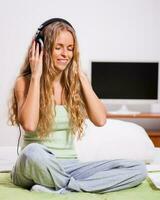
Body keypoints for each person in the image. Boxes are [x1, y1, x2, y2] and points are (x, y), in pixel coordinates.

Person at [8, 18, 147, 194]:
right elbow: (28, 125)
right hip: (33, 165)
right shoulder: (25, 82)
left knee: (138, 169)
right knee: (33, 151)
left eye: (70, 48)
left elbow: (100, 119)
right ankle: (74, 186)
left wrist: (80, 77)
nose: (65, 54)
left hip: (69, 166)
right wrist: (36, 75)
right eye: (58, 47)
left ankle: (63, 188)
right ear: (41, 48)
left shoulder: (74, 84)